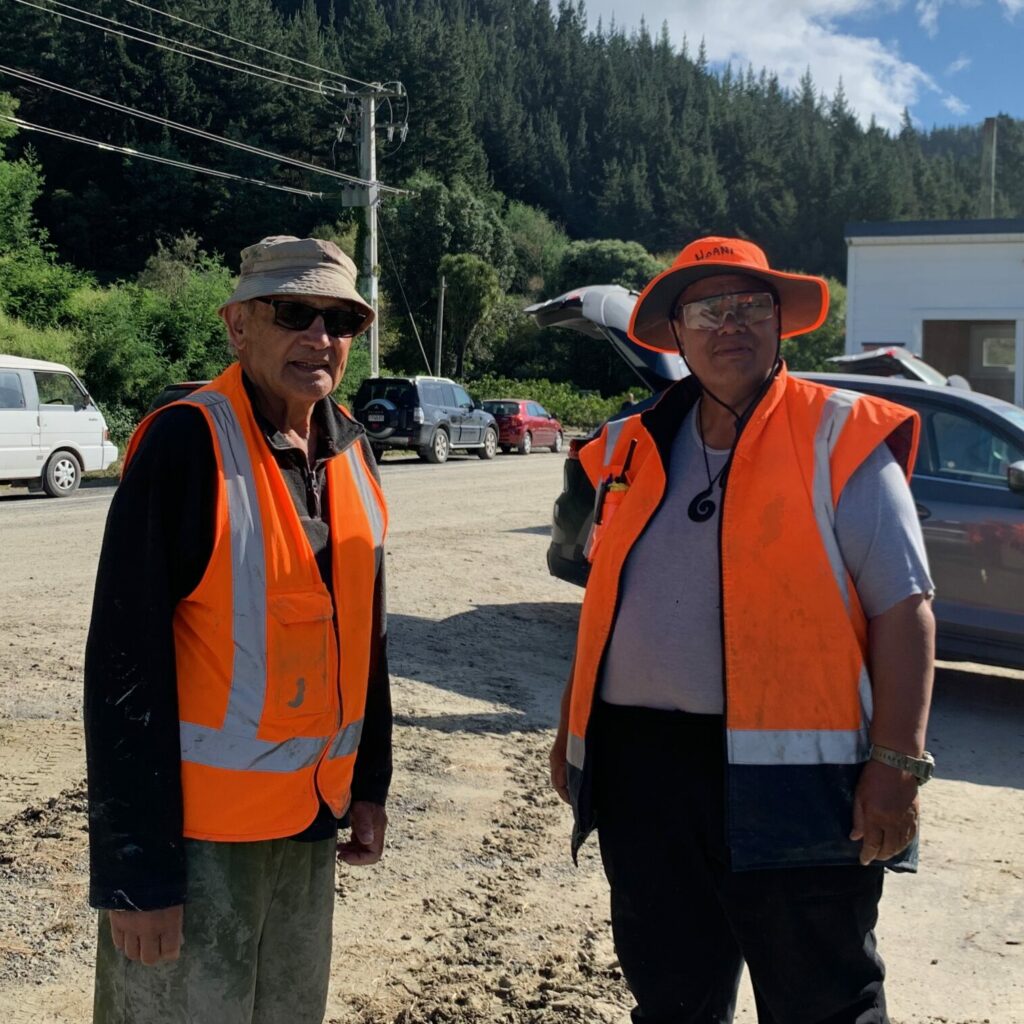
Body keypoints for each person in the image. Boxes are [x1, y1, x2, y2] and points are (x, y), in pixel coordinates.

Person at [549, 236, 936, 1024]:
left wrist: (897, 764)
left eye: (750, 306)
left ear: (779, 325)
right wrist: (570, 732)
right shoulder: (626, 446)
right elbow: (604, 610)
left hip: (800, 788)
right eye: (709, 310)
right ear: (676, 335)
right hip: (644, 777)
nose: (731, 324)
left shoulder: (840, 435)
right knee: (671, 1001)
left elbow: (906, 608)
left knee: (826, 1006)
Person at [84, 235, 392, 1024]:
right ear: (238, 327)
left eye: (340, 320)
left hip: (308, 825)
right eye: (294, 312)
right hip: (198, 848)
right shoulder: (187, 444)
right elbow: (123, 668)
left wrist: (370, 785)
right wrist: (136, 876)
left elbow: (365, 641)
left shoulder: (351, 446)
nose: (320, 337)